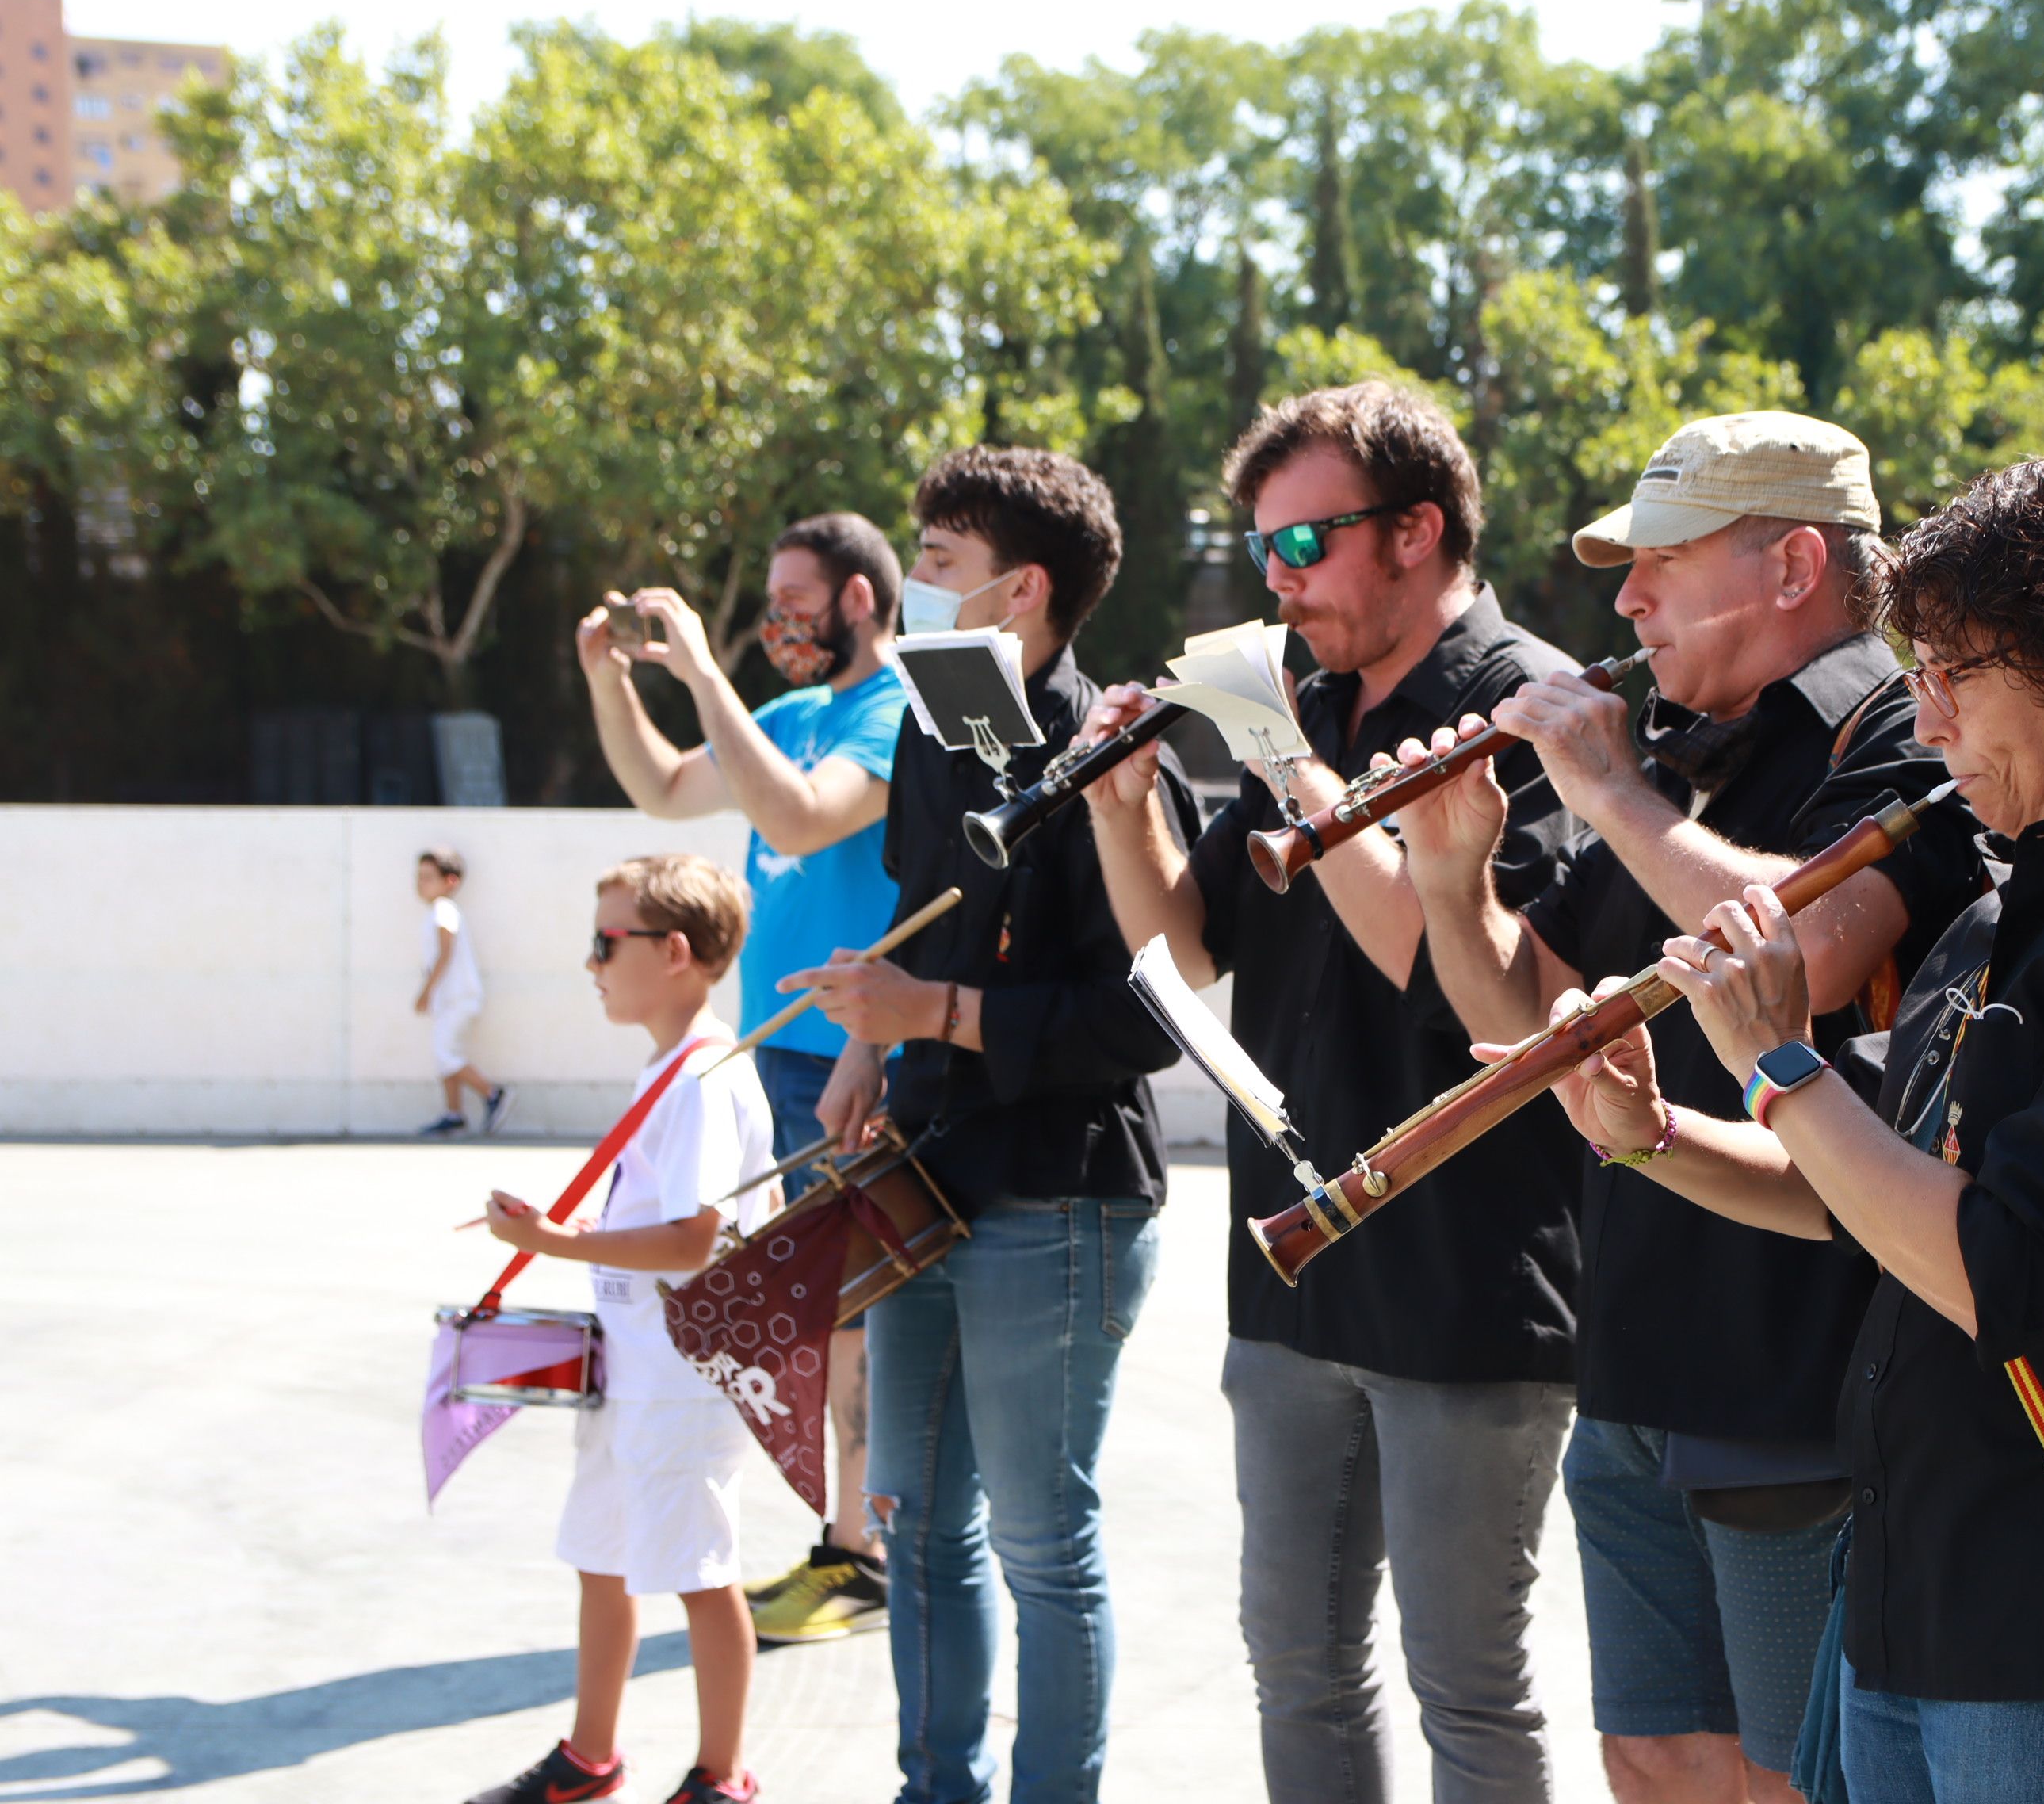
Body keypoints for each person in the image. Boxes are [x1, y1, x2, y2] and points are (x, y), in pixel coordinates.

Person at [1542, 453, 2044, 1804]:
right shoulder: (2003, 918)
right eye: (1917, 677)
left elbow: (1998, 1269)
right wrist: (1654, 1138)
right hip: (1905, 1612)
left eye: (1955, 677)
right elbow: (1857, 1192)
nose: (1925, 727)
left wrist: (1772, 1062)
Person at [1388, 413, 1983, 1802]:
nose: (1623, 600)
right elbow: (1512, 1022)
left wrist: (1602, 785)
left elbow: (1812, 954)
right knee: (1650, 1759)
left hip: (1799, 1373)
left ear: (1791, 565)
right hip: (1638, 1355)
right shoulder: (1680, 749)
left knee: (1795, 1776)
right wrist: (1448, 870)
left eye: (1659, 559)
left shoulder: (1899, 729)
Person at [1079, 382, 1586, 1802]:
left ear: (1418, 532)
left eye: (1304, 547)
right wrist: (1129, 814)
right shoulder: (1305, 705)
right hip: (1295, 1266)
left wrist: (1282, 755)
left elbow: (1440, 969)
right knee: (1295, 1665)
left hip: (1465, 1271)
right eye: (1262, 555)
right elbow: (1183, 952)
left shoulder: (1521, 703)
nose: (1277, 584)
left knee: (1467, 1690)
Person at [777, 445, 1200, 1804]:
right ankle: (933, 1786)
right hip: (923, 1176)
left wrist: (932, 1019)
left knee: (1039, 1546)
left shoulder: (1119, 752)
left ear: (1022, 591)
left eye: (941, 567)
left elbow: (1149, 1020)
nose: (912, 593)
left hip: (1059, 1195)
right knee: (914, 1524)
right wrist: (861, 1050)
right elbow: (915, 908)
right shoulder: (926, 723)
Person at [579, 513, 904, 1642]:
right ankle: (852, 1543)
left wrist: (707, 670)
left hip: (858, 1061)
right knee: (809, 1314)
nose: (776, 622)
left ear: (861, 598)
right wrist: (608, 681)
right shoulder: (791, 715)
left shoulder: (891, 710)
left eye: (795, 598)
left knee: (855, 1318)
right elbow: (667, 786)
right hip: (777, 1055)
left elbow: (801, 820)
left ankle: (861, 1558)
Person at [467, 853, 778, 1804]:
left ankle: (723, 1777)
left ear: (672, 951)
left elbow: (697, 1236)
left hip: (682, 1375)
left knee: (696, 1566)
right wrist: (587, 1237)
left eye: (606, 941)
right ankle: (590, 1757)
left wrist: (558, 1242)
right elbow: (672, 1220)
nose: (591, 961)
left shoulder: (703, 1076)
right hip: (635, 1364)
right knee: (600, 1553)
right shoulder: (673, 1068)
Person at [414, 847, 510, 1136]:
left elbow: (446, 952)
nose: (420, 884)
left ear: (450, 881)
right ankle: (454, 1114)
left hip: (459, 997)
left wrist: (426, 991)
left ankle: (494, 1094)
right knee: (445, 1053)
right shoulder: (437, 911)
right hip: (449, 999)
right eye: (419, 877)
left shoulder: (444, 909)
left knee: (445, 1054)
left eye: (428, 877)